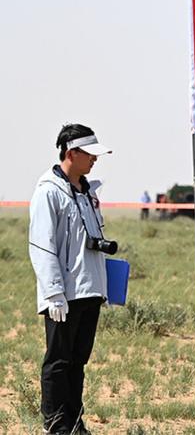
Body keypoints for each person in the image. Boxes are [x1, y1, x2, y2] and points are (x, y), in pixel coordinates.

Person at [28, 124, 113, 435]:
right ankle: (56, 425)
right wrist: (52, 293)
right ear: (71, 153)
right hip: (64, 294)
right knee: (58, 362)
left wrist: (106, 287)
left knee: (78, 362)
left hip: (90, 290)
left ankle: (75, 423)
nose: (95, 160)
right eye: (89, 154)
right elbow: (41, 244)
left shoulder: (89, 191)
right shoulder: (48, 192)